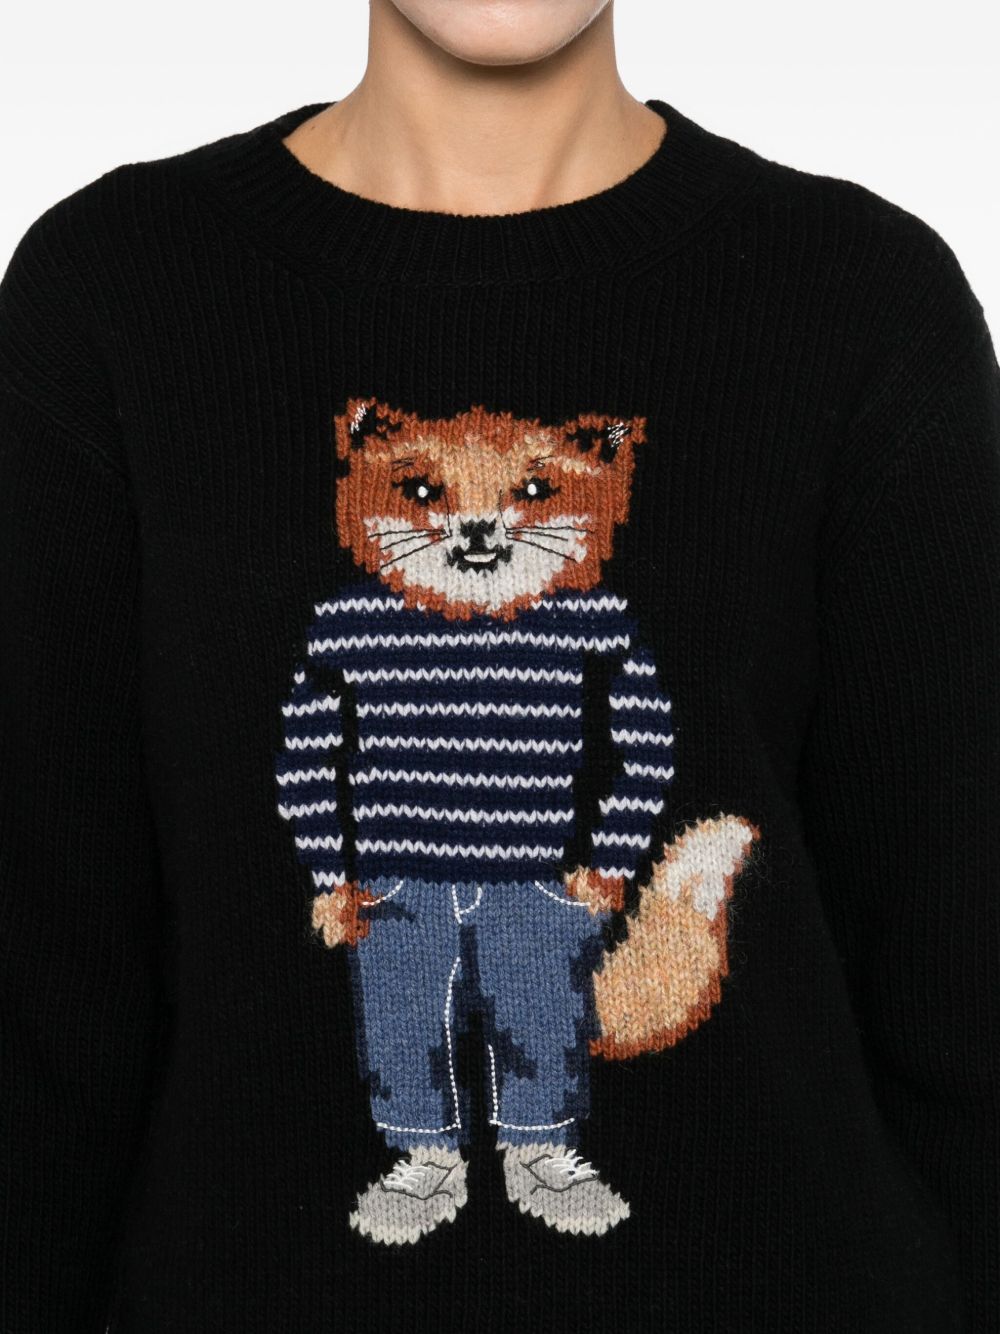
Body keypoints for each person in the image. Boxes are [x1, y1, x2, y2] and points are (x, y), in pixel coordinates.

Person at [1, 0, 997, 1330]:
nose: (478, 526)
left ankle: (537, 1144)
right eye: (429, 492)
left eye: (527, 494)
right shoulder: (112, 291)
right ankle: (423, 1150)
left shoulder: (863, 297)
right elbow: (50, 971)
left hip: (770, 1261)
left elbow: (952, 955)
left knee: (537, 1012)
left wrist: (617, 856)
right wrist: (335, 865)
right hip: (282, 1192)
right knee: (404, 1014)